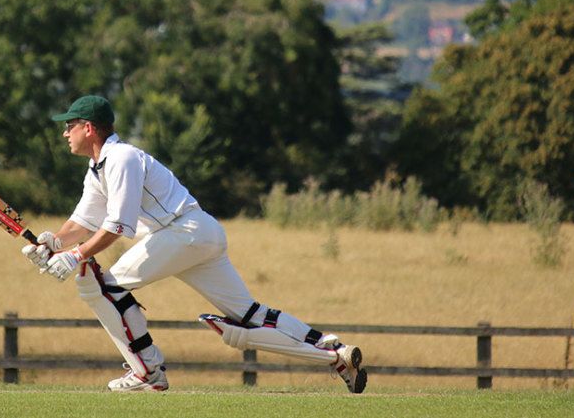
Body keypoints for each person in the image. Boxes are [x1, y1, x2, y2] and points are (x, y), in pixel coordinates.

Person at [22, 95, 366, 393]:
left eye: (70, 125)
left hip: (180, 232)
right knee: (249, 315)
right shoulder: (98, 168)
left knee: (100, 286)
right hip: (198, 232)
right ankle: (334, 353)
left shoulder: (122, 158)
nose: (65, 132)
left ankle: (147, 371)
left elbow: (117, 225)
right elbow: (83, 222)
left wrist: (75, 256)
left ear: (90, 128)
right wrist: (53, 241)